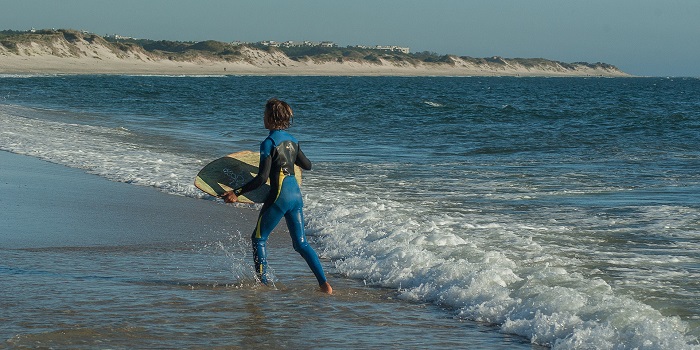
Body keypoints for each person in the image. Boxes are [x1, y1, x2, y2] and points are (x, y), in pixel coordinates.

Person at [222, 98, 333, 294]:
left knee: (258, 239)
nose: (262, 118)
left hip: (279, 196)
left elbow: (261, 178)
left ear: (272, 118)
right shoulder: (293, 140)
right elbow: (307, 165)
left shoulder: (268, 143)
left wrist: (236, 192)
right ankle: (325, 285)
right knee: (301, 243)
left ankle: (263, 283)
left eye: (264, 114)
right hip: (296, 196)